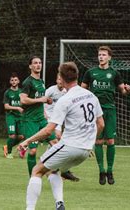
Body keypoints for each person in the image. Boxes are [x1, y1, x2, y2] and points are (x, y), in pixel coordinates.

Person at [20, 62, 104, 210]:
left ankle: (30, 208)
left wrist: (28, 140)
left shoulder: (65, 99)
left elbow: (48, 131)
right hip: (84, 150)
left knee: (37, 170)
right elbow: (101, 124)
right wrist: (90, 142)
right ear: (77, 76)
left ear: (62, 78)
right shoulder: (91, 95)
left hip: (70, 146)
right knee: (53, 169)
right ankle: (59, 204)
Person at [81, 46, 130, 185]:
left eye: (103, 55)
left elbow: (123, 91)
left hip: (110, 109)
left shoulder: (114, 73)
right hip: (95, 111)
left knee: (110, 141)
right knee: (98, 142)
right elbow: (81, 89)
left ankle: (110, 170)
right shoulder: (91, 72)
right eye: (99, 55)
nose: (101, 57)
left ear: (109, 57)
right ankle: (101, 171)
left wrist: (127, 90)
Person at [19, 56, 57, 176]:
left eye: (40, 63)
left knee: (55, 144)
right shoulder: (27, 82)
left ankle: (55, 171)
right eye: (35, 63)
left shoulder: (41, 82)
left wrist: (45, 105)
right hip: (30, 120)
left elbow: (40, 100)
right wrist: (41, 99)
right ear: (30, 66)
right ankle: (33, 177)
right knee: (33, 151)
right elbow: (23, 100)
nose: (38, 65)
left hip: (41, 119)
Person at [45, 74, 80, 182]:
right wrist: (44, 114)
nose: (60, 81)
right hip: (49, 118)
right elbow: (43, 102)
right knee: (57, 138)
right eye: (59, 79)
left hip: (58, 119)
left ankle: (51, 163)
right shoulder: (51, 90)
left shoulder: (66, 92)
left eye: (62, 79)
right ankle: (61, 170)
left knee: (56, 141)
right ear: (56, 80)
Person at [2, 73, 24, 159]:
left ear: (18, 81)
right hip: (11, 116)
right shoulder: (7, 93)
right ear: (10, 81)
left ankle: (7, 147)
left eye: (15, 80)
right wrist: (17, 108)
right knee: (12, 135)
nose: (14, 81)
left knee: (21, 136)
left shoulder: (22, 92)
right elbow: (6, 106)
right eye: (12, 80)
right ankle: (9, 153)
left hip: (20, 117)